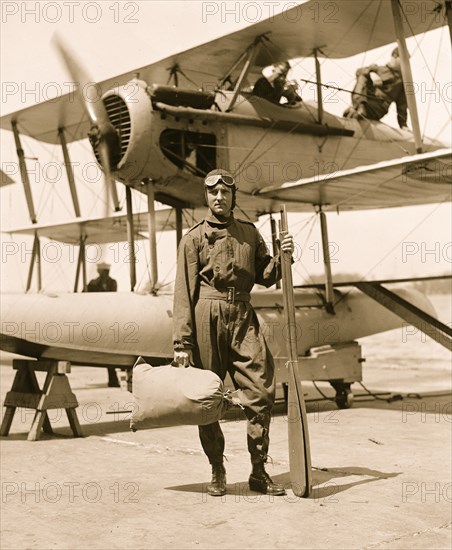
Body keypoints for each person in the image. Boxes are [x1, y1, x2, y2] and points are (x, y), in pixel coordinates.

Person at [172, 168, 295, 497]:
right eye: (213, 193)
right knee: (206, 399)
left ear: (232, 196)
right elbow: (183, 292)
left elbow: (266, 275)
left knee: (260, 392)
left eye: (225, 193)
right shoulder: (193, 239)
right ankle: (217, 467)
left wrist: (283, 256)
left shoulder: (250, 234)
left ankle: (258, 470)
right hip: (205, 319)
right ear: (206, 197)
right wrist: (182, 344)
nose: (219, 198)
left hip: (243, 316)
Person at [344, 47, 408, 128]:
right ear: (394, 56)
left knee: (364, 76)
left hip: (378, 108)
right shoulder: (378, 69)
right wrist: (371, 74)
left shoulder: (401, 82)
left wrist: (403, 125)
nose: (406, 63)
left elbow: (402, 106)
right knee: (363, 76)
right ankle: (360, 106)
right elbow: (359, 71)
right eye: (404, 59)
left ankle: (358, 109)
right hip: (365, 101)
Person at [86, 262, 119, 387]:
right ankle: (113, 378)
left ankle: (113, 378)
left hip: (108, 317)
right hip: (99, 317)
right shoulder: (93, 283)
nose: (106, 274)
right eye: (103, 271)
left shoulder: (112, 282)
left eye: (106, 271)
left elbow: (111, 296)